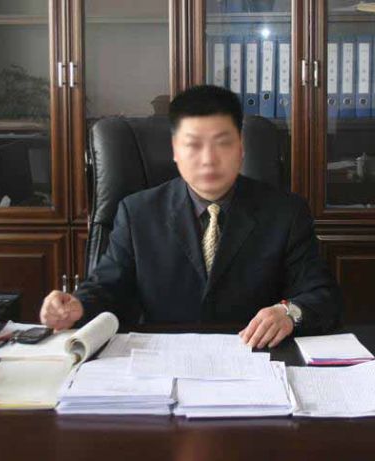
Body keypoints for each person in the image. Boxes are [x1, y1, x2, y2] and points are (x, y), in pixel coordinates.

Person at [40, 85, 343, 348]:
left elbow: (322, 295)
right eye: (193, 145)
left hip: (256, 358)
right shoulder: (137, 213)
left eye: (223, 143)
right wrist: (77, 305)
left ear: (241, 148)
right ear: (174, 150)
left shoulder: (285, 212)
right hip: (162, 361)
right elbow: (108, 289)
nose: (208, 159)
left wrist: (289, 313)